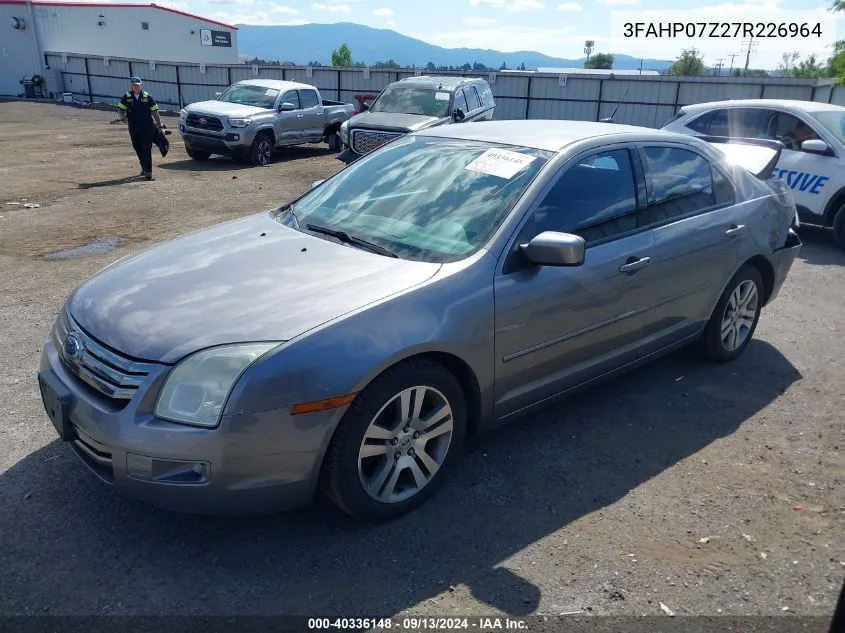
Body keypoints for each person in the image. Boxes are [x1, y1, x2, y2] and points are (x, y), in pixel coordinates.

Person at [117, 77, 164, 181]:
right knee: (137, 148)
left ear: (141, 85)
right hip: (133, 128)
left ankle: (148, 173)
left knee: (146, 149)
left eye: (137, 85)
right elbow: (120, 109)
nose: (136, 87)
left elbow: (155, 112)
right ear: (131, 86)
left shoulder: (147, 97)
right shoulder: (127, 96)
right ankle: (144, 167)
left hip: (147, 128)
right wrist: (122, 117)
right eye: (134, 85)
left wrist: (160, 126)